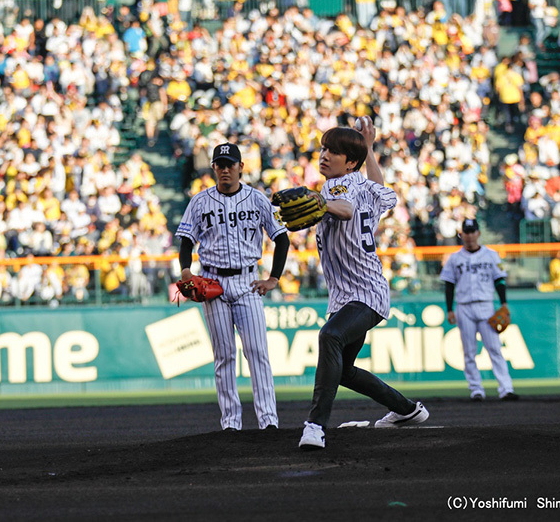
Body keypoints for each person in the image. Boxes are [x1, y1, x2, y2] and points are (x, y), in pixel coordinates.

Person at [298, 117, 429, 451]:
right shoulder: (366, 184)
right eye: (324, 148)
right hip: (355, 293)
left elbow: (344, 209)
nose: (324, 155)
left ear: (350, 162)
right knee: (343, 370)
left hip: (363, 293)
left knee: (329, 336)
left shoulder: (335, 187)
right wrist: (369, 148)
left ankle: (315, 426)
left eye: (335, 151)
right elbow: (381, 188)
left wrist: (322, 203)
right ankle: (407, 411)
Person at [176, 143, 290, 431]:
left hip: (248, 281)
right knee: (224, 355)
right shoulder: (200, 202)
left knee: (257, 352)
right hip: (213, 283)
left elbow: (282, 239)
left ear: (241, 167)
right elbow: (186, 242)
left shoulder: (258, 199)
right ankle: (230, 423)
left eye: (230, 164)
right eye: (220, 164)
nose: (225, 169)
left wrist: (274, 278)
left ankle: (269, 421)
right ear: (214, 168)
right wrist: (187, 270)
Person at [440, 218, 519, 402]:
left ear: (478, 233)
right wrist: (449, 309)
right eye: (466, 232)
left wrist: (504, 303)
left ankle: (506, 388)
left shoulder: (491, 255)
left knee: (494, 348)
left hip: (486, 305)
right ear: (462, 235)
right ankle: (476, 389)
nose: (469, 235)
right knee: (469, 351)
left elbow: (499, 280)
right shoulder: (455, 258)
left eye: (472, 231)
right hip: (464, 307)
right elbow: (449, 285)